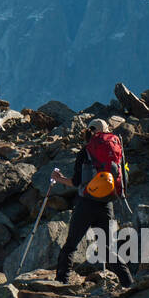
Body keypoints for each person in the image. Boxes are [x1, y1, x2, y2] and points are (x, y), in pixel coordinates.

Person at [51, 118, 134, 287]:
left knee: (71, 245)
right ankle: (129, 284)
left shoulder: (86, 150)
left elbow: (76, 182)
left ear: (90, 130)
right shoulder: (117, 150)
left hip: (86, 204)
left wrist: (59, 179)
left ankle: (62, 282)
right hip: (107, 204)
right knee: (107, 251)